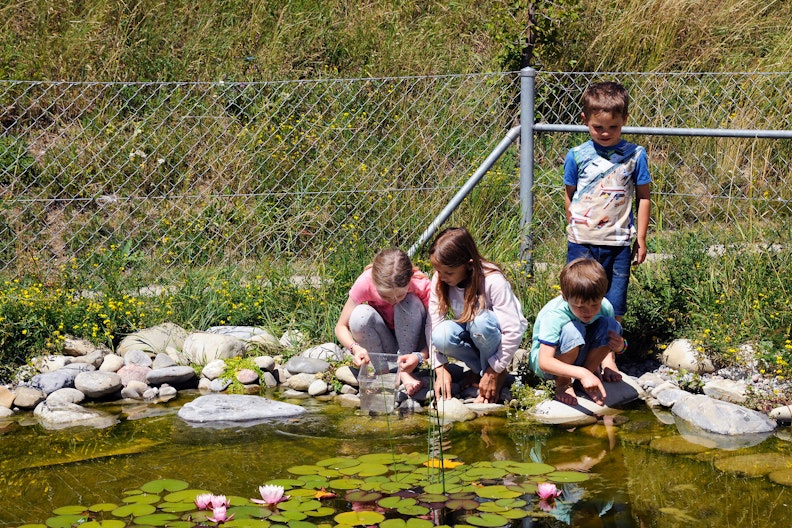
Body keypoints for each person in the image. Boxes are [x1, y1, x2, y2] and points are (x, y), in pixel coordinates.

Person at [564, 81, 651, 324]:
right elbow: (570, 193)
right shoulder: (577, 155)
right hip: (582, 242)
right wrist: (573, 223)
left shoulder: (635, 155)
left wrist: (641, 238)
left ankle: (609, 355)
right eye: (598, 127)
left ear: (625, 119)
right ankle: (579, 349)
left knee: (615, 303)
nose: (605, 133)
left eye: (613, 126)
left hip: (618, 242)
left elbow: (644, 197)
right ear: (584, 120)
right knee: (579, 299)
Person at [427, 227, 528, 404]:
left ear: (469, 264)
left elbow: (513, 331)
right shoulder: (440, 278)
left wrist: (493, 370)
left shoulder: (492, 281)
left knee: (480, 322)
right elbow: (433, 324)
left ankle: (494, 374)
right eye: (438, 271)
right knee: (440, 335)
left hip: (493, 334)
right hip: (472, 331)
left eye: (448, 273)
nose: (441, 277)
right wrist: (440, 369)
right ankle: (478, 371)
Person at [527, 257, 627, 406]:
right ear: (565, 297)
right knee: (572, 330)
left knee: (610, 325)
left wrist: (614, 356)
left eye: (595, 305)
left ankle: (583, 381)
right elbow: (544, 362)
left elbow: (612, 341)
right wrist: (583, 373)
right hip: (552, 364)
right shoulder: (555, 314)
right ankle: (563, 384)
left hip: (579, 356)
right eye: (580, 307)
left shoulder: (605, 306)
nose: (589, 312)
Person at [334, 248, 431, 396]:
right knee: (359, 315)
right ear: (374, 281)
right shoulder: (366, 281)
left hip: (414, 346)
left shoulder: (420, 284)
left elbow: (435, 331)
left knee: (407, 302)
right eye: (385, 296)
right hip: (387, 344)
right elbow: (341, 327)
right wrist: (355, 348)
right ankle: (383, 371)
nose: (393, 301)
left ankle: (404, 370)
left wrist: (420, 356)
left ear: (410, 278)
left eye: (399, 294)